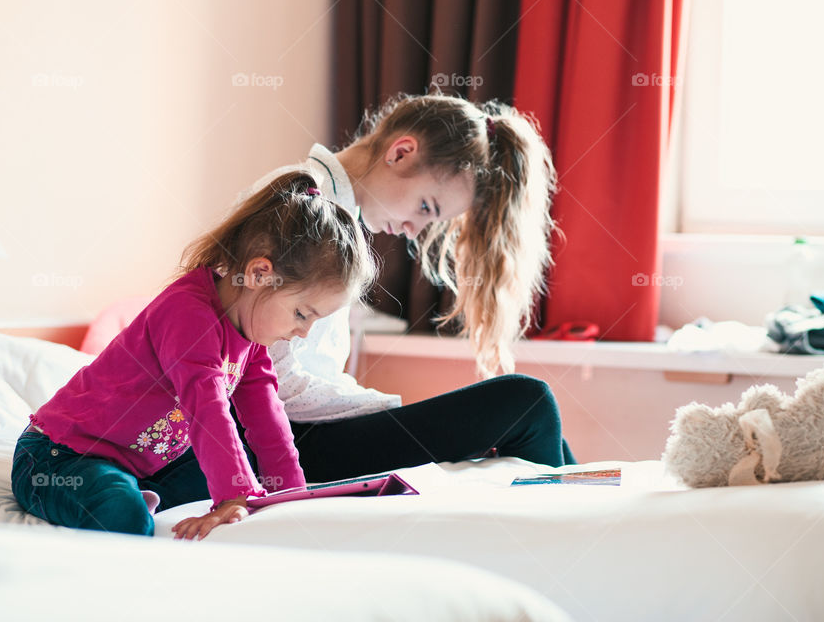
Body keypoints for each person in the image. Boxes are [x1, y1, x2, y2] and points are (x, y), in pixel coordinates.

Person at [161, 92, 577, 497]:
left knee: (535, 418)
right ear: (401, 153)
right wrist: (390, 409)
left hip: (306, 429)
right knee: (526, 402)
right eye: (426, 208)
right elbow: (279, 383)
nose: (415, 229)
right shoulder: (308, 202)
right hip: (282, 435)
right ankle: (571, 525)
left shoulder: (335, 210)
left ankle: (584, 499)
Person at [10, 170, 376, 538]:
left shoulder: (250, 336)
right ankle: (134, 502)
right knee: (124, 513)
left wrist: (291, 495)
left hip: (139, 465)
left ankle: (141, 494)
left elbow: (267, 417)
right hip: (59, 457)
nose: (303, 332)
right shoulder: (188, 312)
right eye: (302, 314)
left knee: (248, 469)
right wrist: (235, 495)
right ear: (259, 275)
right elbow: (207, 407)